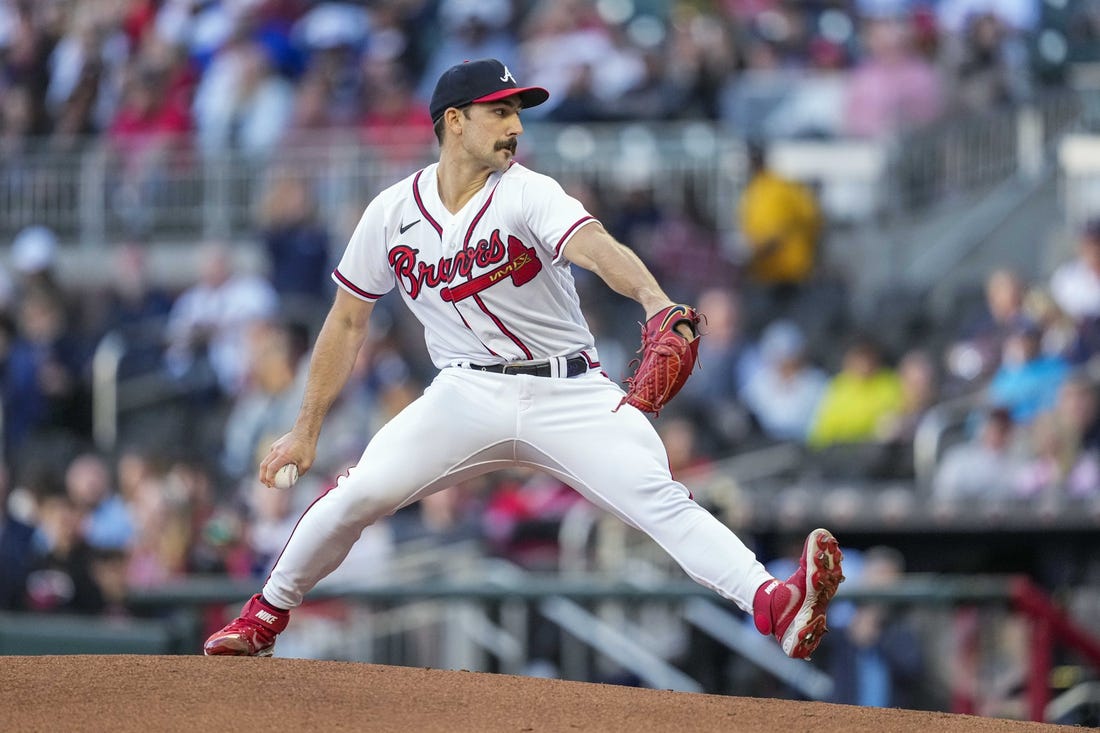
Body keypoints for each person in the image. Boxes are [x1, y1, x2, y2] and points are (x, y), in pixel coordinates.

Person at [203, 58, 843, 661]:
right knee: (359, 492)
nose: (514, 125)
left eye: (518, 112)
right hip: (465, 395)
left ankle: (774, 606)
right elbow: (346, 320)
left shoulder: (528, 192)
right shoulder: (392, 212)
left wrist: (654, 298)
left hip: (569, 390)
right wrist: (306, 427)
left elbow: (594, 245)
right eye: (498, 111)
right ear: (453, 121)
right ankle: (266, 614)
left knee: (659, 498)